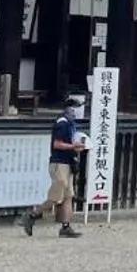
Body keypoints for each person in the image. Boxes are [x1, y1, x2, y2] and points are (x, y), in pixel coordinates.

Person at [21, 93, 88, 239]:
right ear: (70, 109)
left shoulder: (71, 123)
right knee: (56, 196)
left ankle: (66, 226)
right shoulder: (62, 122)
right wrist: (72, 146)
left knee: (68, 195)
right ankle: (32, 214)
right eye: (77, 108)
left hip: (67, 162)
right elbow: (57, 144)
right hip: (59, 162)